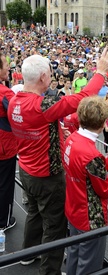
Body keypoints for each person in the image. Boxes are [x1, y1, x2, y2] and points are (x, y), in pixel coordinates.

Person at [8, 48, 108, 273]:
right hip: (46, 177)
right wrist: (101, 71)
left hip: (26, 170)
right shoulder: (41, 106)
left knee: (34, 213)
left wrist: (57, 135)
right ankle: (49, 271)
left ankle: (28, 254)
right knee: (55, 229)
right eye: (49, 73)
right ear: (43, 77)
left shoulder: (14, 100)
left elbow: (36, 128)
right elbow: (81, 98)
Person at [64, 96, 108, 275]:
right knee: (89, 265)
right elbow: (105, 190)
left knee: (73, 254)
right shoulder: (90, 152)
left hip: (73, 209)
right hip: (89, 217)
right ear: (103, 122)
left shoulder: (73, 138)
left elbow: (87, 167)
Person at [0, 53, 17, 231]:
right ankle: (3, 222)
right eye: (5, 64)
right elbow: (19, 115)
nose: (8, 67)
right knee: (5, 185)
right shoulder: (5, 93)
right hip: (4, 147)